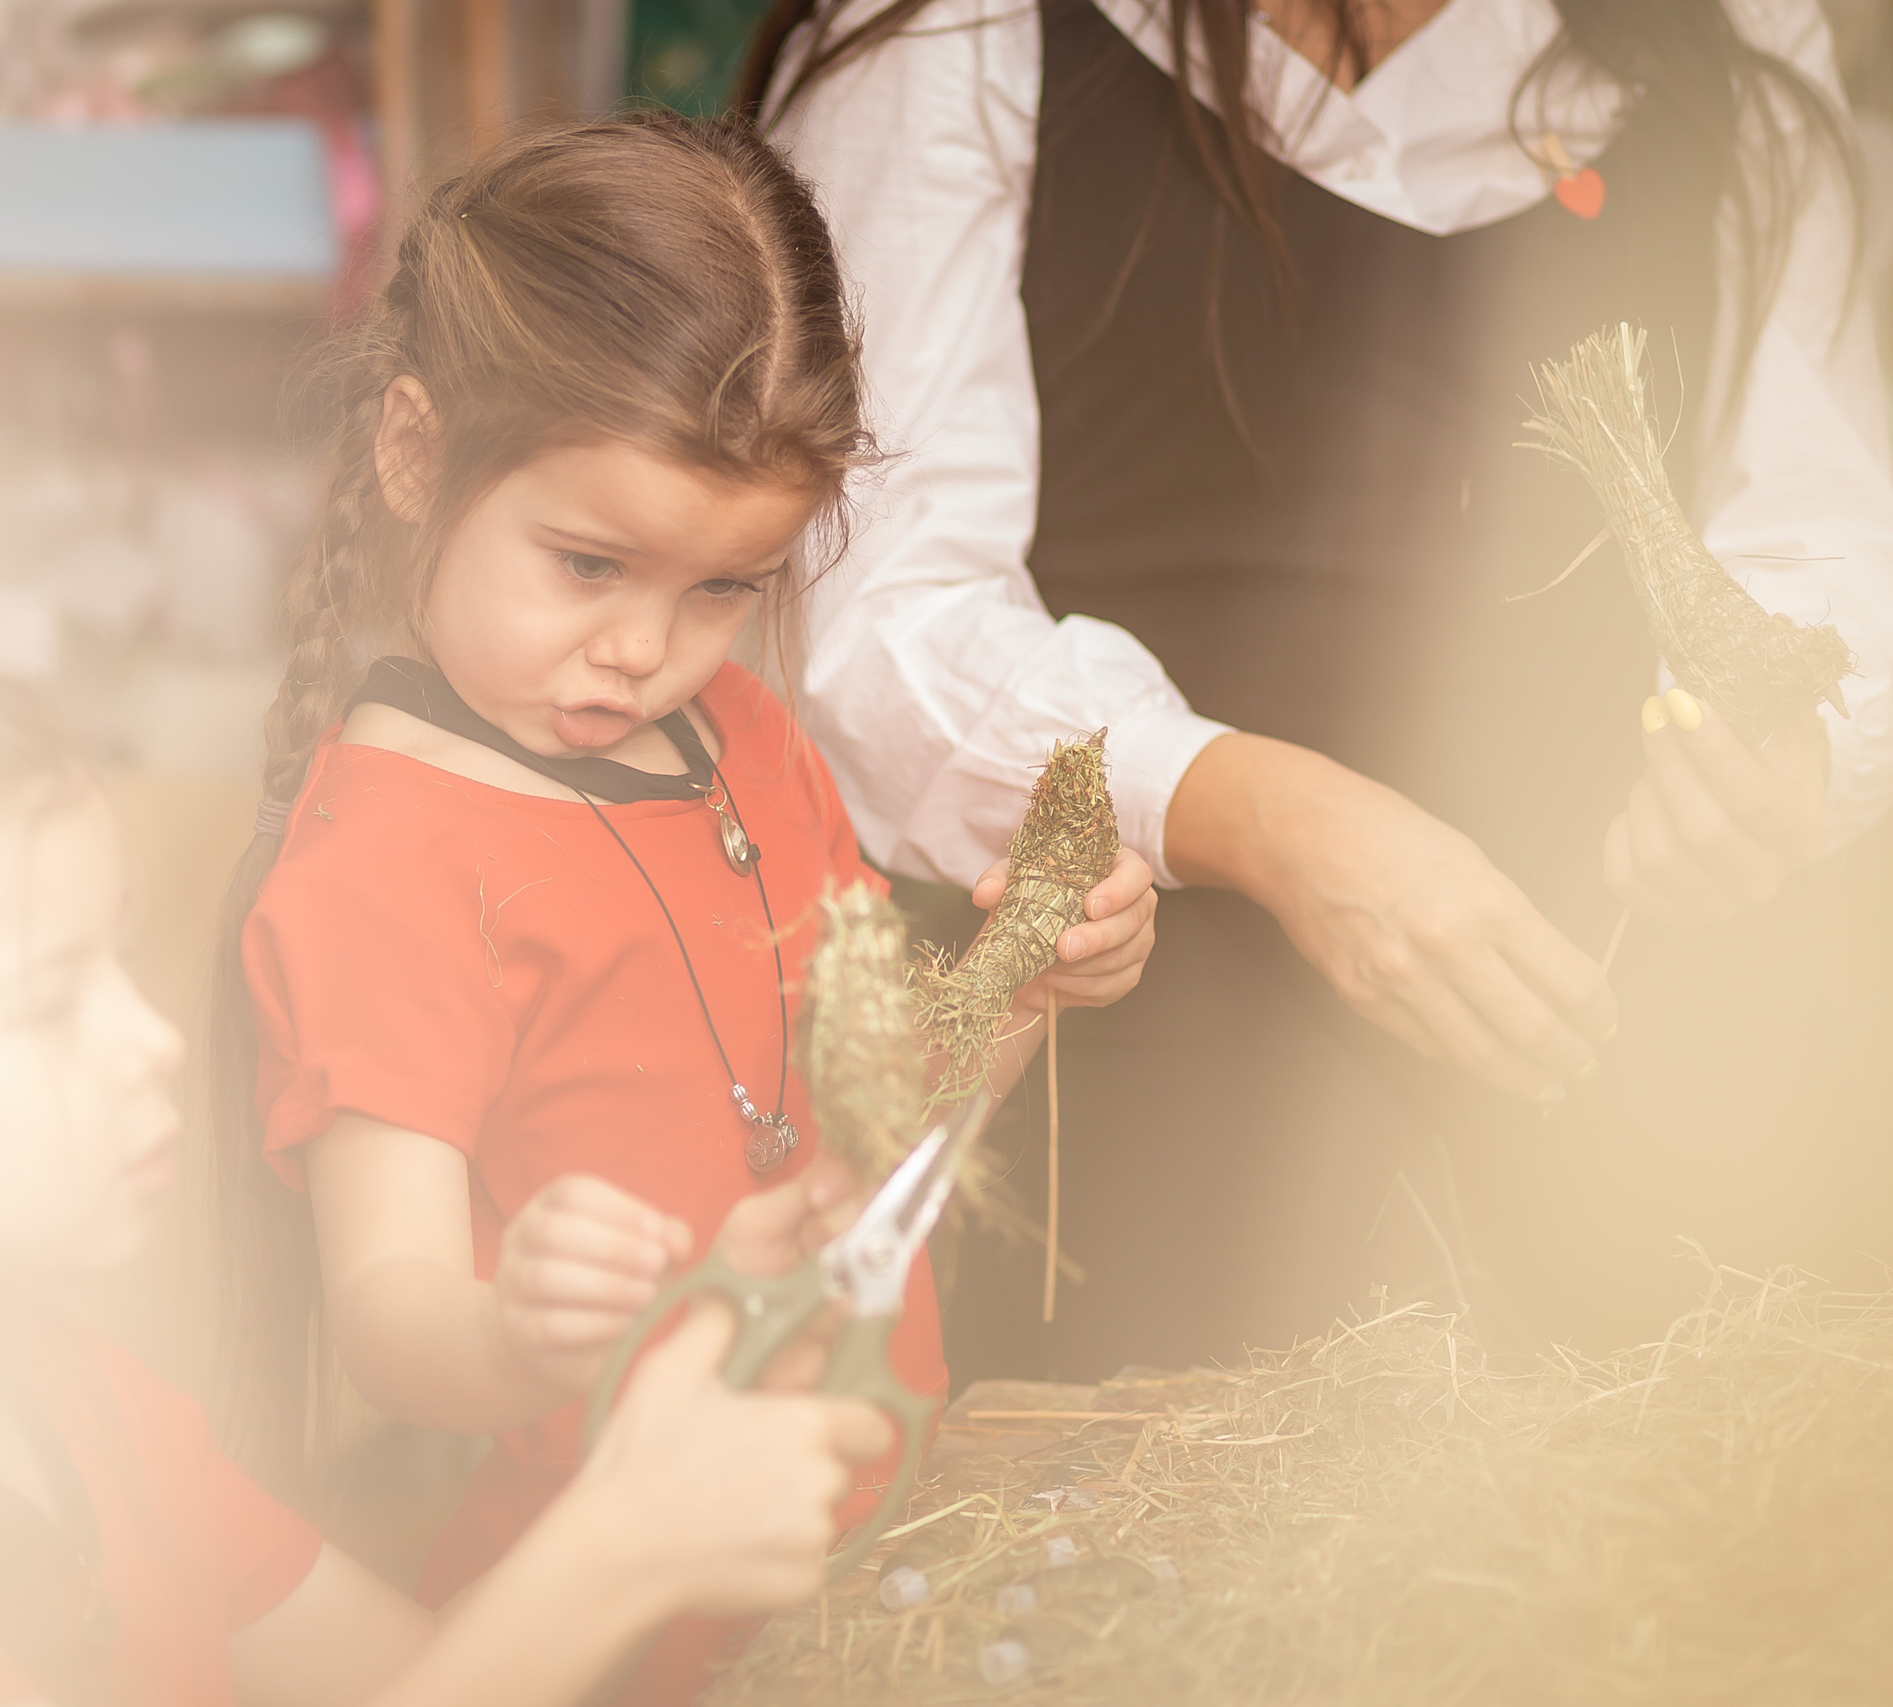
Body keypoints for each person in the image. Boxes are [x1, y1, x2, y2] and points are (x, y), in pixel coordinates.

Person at [739, 0, 1893, 1374]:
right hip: (1147, 1103)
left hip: (1620, 1067)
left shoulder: (1730, 33)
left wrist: (1786, 755)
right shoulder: (963, 36)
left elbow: (1822, 517)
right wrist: (1269, 820)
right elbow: (872, 613)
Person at [0, 650, 913, 1707]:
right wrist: (621, 1546)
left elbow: (430, 1676)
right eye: (46, 1001)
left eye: (117, 958)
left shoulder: (86, 1404)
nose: (149, 1039)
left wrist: (685, 1351)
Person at [212, 110, 1162, 1704]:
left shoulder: (750, 743)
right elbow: (386, 1309)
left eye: (723, 588)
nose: (646, 652)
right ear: (415, 452)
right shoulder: (387, 857)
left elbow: (881, 1151)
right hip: (616, 1639)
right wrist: (511, 1333)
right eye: (589, 566)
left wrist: (1027, 982)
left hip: (869, 1581)